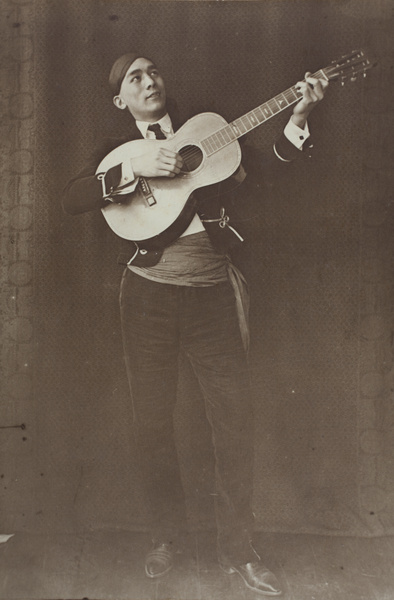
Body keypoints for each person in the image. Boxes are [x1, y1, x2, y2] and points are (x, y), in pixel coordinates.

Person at [62, 52, 328, 596]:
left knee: (234, 421)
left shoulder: (210, 132)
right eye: (133, 78)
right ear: (121, 100)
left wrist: (298, 118)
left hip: (213, 294)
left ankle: (239, 549)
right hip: (148, 297)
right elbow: (74, 198)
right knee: (151, 422)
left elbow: (272, 164)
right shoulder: (117, 152)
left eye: (152, 70)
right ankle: (165, 537)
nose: (147, 80)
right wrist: (134, 170)